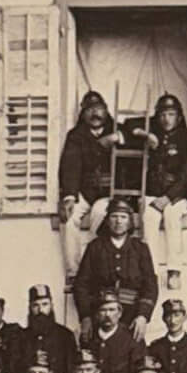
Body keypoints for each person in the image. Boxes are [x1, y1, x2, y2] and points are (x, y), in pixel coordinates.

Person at [57, 90, 123, 274]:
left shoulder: (117, 130)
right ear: (82, 113)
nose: (95, 114)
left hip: (108, 193)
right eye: (89, 109)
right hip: (84, 191)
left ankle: (95, 270)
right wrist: (69, 196)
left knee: (100, 214)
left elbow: (137, 133)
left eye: (99, 109)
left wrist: (119, 137)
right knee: (68, 218)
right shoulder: (76, 136)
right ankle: (74, 272)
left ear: (106, 110)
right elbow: (69, 166)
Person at [72, 200, 157, 342]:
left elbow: (150, 285)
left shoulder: (140, 249)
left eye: (123, 217)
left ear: (130, 222)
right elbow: (81, 284)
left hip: (131, 314)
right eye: (114, 216)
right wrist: (85, 317)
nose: (118, 221)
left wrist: (143, 316)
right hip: (99, 314)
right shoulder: (95, 247)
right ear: (107, 220)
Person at [141, 91, 187, 262]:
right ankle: (150, 272)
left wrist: (168, 197)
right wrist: (145, 134)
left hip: (177, 196)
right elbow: (128, 124)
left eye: (171, 114)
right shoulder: (154, 134)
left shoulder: (186, 138)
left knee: (172, 216)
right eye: (162, 114)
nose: (166, 119)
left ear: (179, 117)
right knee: (148, 217)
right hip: (153, 193)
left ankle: (174, 269)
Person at [79, 288, 146, 373]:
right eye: (103, 310)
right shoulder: (89, 336)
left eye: (112, 310)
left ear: (119, 313)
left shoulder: (131, 338)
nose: (108, 315)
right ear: (96, 314)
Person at [23, 285, 80, 373]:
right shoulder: (21, 337)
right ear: (30, 308)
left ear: (51, 306)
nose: (40, 310)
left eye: (45, 304)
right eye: (36, 305)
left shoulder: (65, 336)